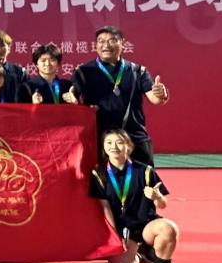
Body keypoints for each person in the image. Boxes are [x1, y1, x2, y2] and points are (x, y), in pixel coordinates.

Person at [90, 129, 184, 263]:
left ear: (129, 146)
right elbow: (105, 208)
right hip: (124, 230)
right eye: (109, 143)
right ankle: (139, 253)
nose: (114, 147)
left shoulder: (145, 171)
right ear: (103, 146)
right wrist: (115, 236)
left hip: (145, 226)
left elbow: (163, 204)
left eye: (119, 142)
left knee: (169, 228)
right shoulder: (98, 174)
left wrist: (157, 197)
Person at [72, 25, 169, 165]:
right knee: (103, 178)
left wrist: (161, 93)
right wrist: (76, 102)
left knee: (144, 178)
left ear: (122, 43)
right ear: (95, 45)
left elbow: (155, 99)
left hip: (134, 137)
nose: (106, 45)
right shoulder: (83, 72)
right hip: (100, 139)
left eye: (112, 40)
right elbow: (71, 100)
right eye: (101, 41)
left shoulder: (137, 71)